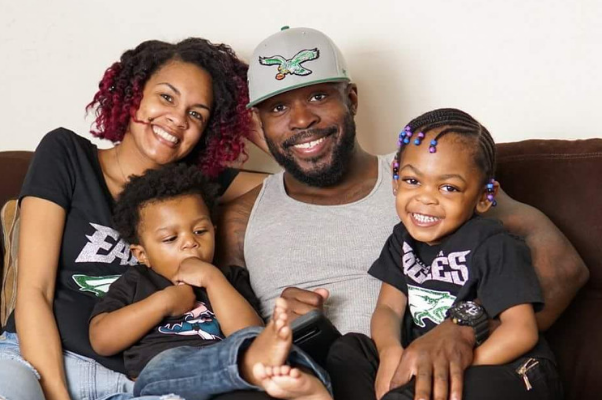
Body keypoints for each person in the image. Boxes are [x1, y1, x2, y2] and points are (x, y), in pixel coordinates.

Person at [215, 27, 588, 400]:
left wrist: (463, 328)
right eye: (278, 107)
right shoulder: (240, 217)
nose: (301, 119)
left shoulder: (426, 171)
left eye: (318, 95)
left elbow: (563, 267)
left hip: (452, 377)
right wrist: (275, 328)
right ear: (256, 122)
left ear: (352, 99)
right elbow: (227, 340)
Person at [0, 38, 267, 400]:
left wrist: (250, 117)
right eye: (166, 97)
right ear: (134, 93)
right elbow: (34, 291)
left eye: (197, 114)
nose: (177, 119)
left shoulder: (191, 191)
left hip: (136, 382)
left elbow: (297, 182)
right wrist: (57, 394)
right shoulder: (68, 155)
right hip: (32, 362)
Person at [90, 163, 331, 400]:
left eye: (200, 231)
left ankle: (309, 387)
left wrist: (212, 279)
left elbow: (249, 335)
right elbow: (102, 340)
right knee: (165, 363)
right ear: (142, 254)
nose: (190, 243)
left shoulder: (229, 279)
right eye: (171, 238)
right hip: (166, 378)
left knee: (274, 360)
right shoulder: (136, 282)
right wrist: (162, 302)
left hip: (236, 378)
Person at [368, 108, 562, 399]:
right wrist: (389, 353)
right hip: (429, 363)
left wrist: (457, 368)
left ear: (485, 197)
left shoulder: (494, 244)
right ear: (395, 179)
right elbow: (388, 309)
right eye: (412, 181)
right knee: (347, 352)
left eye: (448, 187)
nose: (425, 197)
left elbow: (522, 331)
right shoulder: (401, 239)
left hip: (508, 368)